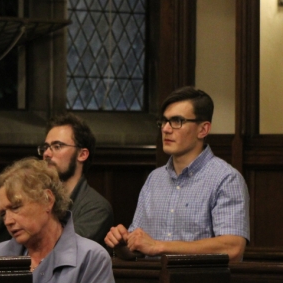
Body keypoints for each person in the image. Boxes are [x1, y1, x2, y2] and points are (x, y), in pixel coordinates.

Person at [105, 86, 250, 262]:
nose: (166, 129)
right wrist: (123, 244)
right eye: (164, 121)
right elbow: (139, 249)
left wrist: (160, 247)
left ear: (203, 130)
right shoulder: (155, 179)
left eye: (177, 121)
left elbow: (233, 247)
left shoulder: (226, 179)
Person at [0, 158, 115, 283]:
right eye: (3, 213)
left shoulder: (91, 258)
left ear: (48, 200)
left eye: (16, 207)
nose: (8, 221)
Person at [0, 113, 113, 249]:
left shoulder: (96, 207)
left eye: (57, 146)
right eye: (46, 147)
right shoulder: (34, 195)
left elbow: (65, 248)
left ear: (82, 154)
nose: (47, 153)